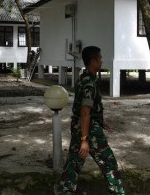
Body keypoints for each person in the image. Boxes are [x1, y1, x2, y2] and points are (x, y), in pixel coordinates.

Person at [56, 46, 125, 194]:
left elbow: (89, 109)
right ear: (93, 61)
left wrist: (100, 120)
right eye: (100, 58)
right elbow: (85, 112)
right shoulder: (89, 83)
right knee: (109, 163)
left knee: (73, 163)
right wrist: (85, 140)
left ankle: (64, 191)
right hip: (89, 131)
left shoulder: (86, 77)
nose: (101, 60)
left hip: (80, 126)